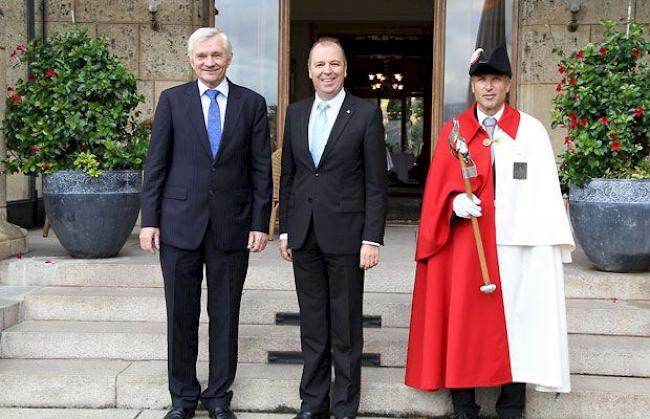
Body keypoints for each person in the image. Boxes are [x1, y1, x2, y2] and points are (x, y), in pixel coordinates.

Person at [404, 45, 575, 419]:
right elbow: (436, 192)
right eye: (482, 79)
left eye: (496, 79)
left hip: (519, 246)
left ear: (509, 84)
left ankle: (511, 403)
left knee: (519, 323)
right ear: (472, 85)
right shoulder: (455, 133)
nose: (489, 86)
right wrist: (452, 204)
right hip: (466, 244)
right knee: (462, 322)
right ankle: (464, 403)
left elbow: (544, 192)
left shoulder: (530, 132)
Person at [139, 27, 272, 419]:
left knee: (225, 315)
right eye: (202, 56)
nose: (209, 62)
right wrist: (149, 221)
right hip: (179, 225)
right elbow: (156, 165)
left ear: (228, 59)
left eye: (216, 55)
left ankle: (217, 397)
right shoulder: (172, 101)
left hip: (231, 226)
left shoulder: (252, 104)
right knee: (180, 314)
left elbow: (261, 169)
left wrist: (260, 222)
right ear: (191, 60)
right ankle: (182, 398)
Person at [278, 37, 387, 419]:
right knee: (312, 325)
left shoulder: (365, 113)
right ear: (309, 71)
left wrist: (372, 237)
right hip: (304, 236)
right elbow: (290, 176)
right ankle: (312, 403)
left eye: (334, 64)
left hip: (346, 238)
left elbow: (376, 183)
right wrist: (285, 230)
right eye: (320, 64)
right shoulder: (295, 113)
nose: (327, 71)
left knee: (344, 328)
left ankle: (343, 407)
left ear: (345, 69)